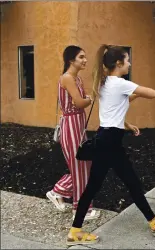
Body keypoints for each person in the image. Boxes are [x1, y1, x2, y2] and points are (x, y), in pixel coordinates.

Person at [67, 45, 155, 246]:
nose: (130, 63)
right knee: (131, 183)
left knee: (97, 187)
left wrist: (129, 113)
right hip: (110, 143)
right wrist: (137, 90)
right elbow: (153, 93)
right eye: (127, 60)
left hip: (105, 138)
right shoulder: (120, 83)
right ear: (118, 64)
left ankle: (75, 231)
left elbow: (115, 106)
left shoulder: (105, 82)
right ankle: (154, 222)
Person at [46, 45, 100, 220]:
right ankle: (80, 208)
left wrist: (87, 99)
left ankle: (58, 191)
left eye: (85, 57)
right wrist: (90, 99)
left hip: (77, 125)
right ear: (71, 60)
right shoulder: (68, 78)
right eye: (81, 57)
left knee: (85, 165)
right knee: (80, 167)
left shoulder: (77, 79)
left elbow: (80, 101)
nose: (85, 60)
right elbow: (78, 103)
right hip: (71, 126)